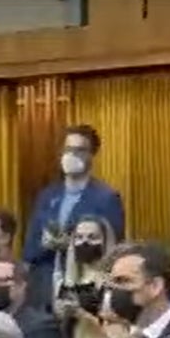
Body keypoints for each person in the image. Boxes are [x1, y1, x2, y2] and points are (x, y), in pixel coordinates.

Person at [24, 124, 125, 307]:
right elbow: (29, 249)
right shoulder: (47, 196)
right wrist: (46, 244)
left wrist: (71, 245)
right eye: (68, 149)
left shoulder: (106, 198)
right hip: (43, 288)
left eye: (80, 150)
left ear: (92, 154)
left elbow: (112, 250)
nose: (72, 155)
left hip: (83, 288)